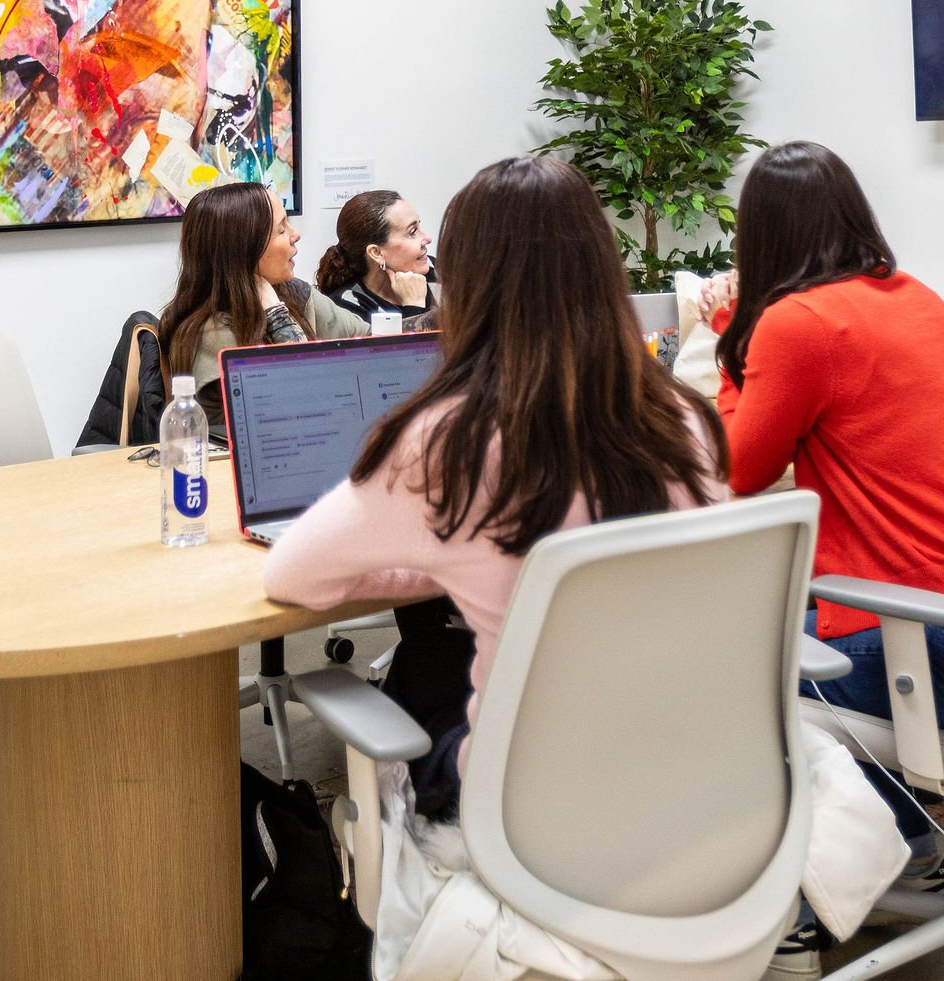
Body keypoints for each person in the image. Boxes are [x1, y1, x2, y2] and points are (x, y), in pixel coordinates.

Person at [262, 155, 727, 822]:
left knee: (422, 674)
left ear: (472, 280)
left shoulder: (445, 437)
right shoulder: (685, 419)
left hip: (527, 804)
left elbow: (291, 572)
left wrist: (431, 558)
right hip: (688, 770)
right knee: (439, 656)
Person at [702, 140, 944, 894]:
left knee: (721, 652)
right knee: (799, 609)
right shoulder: (913, 293)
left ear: (758, 237)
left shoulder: (797, 323)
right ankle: (903, 845)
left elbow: (740, 468)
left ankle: (802, 895)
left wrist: (732, 333)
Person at [76, 180, 367, 448]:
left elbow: (371, 340)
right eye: (281, 229)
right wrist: (277, 317)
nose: (295, 235)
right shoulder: (210, 332)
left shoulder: (293, 293)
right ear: (243, 251)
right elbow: (304, 407)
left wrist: (413, 304)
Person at [316, 189, 437, 324]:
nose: (427, 238)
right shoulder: (348, 308)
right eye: (412, 231)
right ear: (376, 253)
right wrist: (414, 306)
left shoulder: (439, 272)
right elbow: (415, 345)